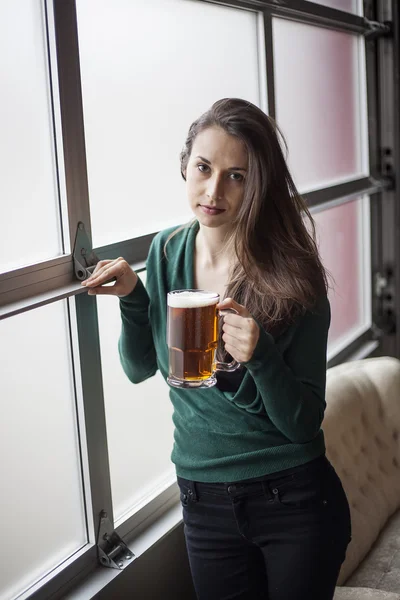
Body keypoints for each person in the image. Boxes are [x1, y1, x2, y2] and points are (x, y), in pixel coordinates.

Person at [82, 98, 352, 600]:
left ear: (258, 185)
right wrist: (134, 300)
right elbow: (141, 367)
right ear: (185, 164)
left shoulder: (293, 275)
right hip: (202, 500)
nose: (213, 190)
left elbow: (302, 423)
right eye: (204, 168)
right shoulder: (167, 251)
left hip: (291, 496)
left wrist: (261, 356)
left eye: (237, 176)